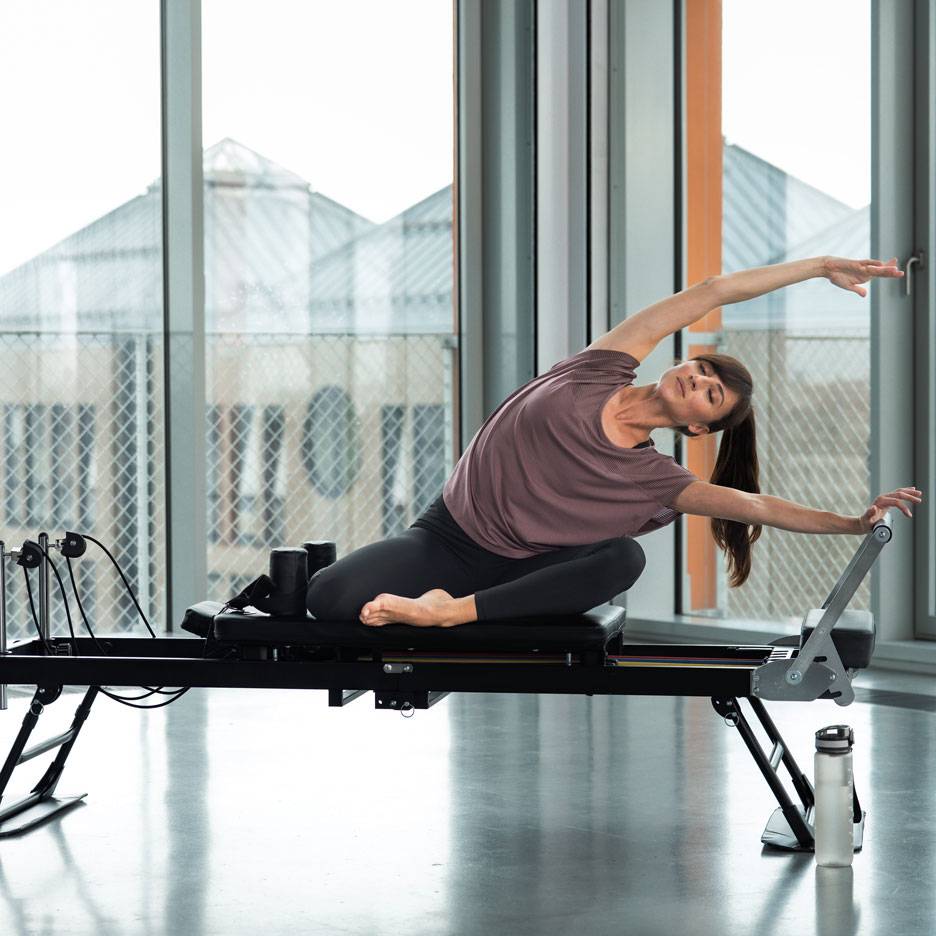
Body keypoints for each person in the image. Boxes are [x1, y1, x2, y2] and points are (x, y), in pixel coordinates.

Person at [305, 255, 921, 629]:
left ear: (696, 429)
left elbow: (756, 507)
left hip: (523, 568)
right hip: (447, 535)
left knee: (623, 558)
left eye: (709, 396)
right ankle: (453, 603)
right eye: (704, 370)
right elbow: (709, 291)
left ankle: (451, 612)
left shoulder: (654, 478)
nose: (698, 380)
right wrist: (815, 268)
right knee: (328, 597)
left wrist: (849, 523)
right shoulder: (602, 367)